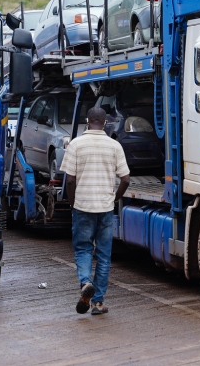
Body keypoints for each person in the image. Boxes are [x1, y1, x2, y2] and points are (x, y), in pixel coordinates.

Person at [60, 106, 130, 315]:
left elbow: (70, 180)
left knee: (83, 249)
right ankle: (98, 302)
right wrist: (114, 198)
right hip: (105, 207)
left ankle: (85, 283)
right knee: (104, 255)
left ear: (87, 121)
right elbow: (126, 179)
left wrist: (73, 203)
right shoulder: (114, 146)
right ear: (106, 122)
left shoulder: (76, 145)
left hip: (82, 206)